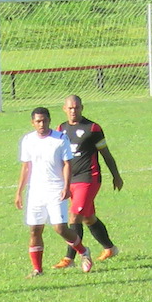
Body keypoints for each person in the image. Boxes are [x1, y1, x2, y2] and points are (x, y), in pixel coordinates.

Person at [13, 106, 87, 275]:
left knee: (60, 228)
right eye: (38, 121)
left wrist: (66, 187)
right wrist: (19, 192)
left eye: (44, 121)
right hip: (36, 192)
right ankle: (37, 269)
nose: (42, 124)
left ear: (49, 121)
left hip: (56, 189)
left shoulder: (60, 139)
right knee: (35, 229)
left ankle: (83, 252)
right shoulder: (28, 140)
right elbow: (26, 167)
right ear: (32, 123)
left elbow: (67, 163)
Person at [57, 93, 123, 266]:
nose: (73, 111)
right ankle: (110, 248)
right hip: (70, 179)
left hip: (88, 178)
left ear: (82, 108)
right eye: (70, 108)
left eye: (76, 107)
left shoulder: (92, 128)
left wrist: (116, 176)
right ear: (64, 109)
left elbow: (106, 154)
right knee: (88, 217)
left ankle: (69, 258)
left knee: (74, 216)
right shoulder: (61, 129)